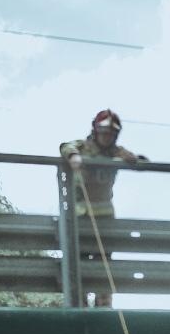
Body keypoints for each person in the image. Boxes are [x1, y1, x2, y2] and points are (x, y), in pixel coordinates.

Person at [58, 109, 147, 307]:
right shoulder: (83, 147)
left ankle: (104, 306)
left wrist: (135, 160)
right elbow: (66, 146)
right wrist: (73, 157)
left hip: (105, 221)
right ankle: (79, 306)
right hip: (80, 219)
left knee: (104, 268)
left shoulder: (116, 152)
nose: (107, 137)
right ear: (96, 130)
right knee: (79, 267)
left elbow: (135, 159)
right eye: (104, 132)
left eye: (111, 134)